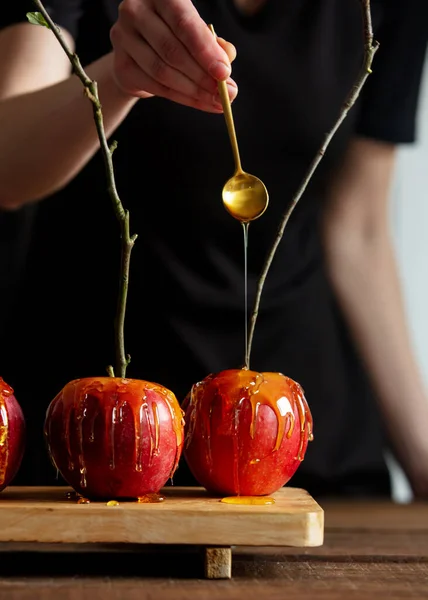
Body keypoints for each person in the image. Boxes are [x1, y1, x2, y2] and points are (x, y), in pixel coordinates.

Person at [0, 0, 427, 499]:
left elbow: (359, 230)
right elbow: (7, 167)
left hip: (306, 456)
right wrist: (119, 78)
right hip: (100, 448)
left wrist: (421, 458)